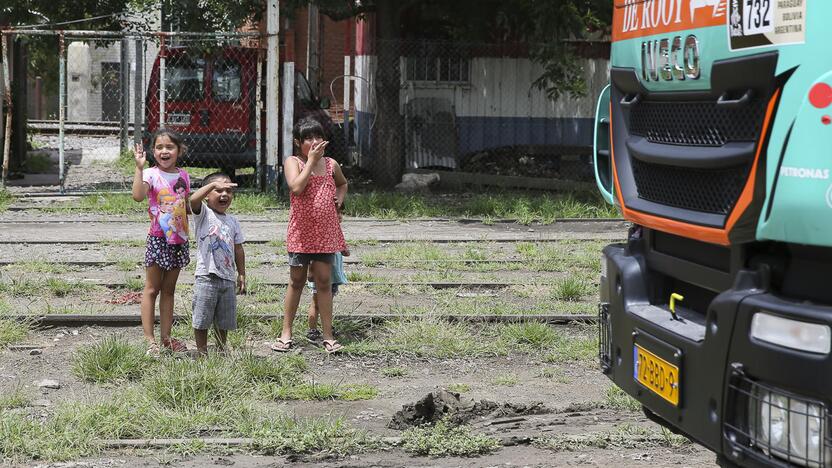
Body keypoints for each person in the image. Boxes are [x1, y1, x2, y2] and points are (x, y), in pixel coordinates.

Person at [272, 116, 348, 354]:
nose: (314, 142)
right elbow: (296, 187)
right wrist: (312, 161)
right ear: (298, 142)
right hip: (301, 233)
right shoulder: (293, 162)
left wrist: (339, 199)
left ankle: (328, 334)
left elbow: (342, 184)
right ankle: (286, 332)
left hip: (325, 233)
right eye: (308, 139)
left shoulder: (332, 164)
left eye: (318, 137)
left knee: (324, 282)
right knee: (296, 281)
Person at [131, 129, 191, 355]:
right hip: (158, 240)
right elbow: (138, 196)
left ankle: (166, 338)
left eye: (170, 147)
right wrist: (138, 168)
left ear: (179, 150)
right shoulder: (149, 174)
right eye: (159, 147)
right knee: (151, 289)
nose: (164, 151)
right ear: (153, 151)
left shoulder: (184, 176)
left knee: (169, 290)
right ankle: (150, 341)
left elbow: (186, 207)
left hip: (178, 240)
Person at [189, 172, 246, 355]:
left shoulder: (233, 221)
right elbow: (193, 200)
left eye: (228, 191)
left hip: (227, 277)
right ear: (208, 194)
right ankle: (202, 351)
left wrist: (241, 273)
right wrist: (210, 186)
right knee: (202, 317)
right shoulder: (204, 214)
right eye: (218, 190)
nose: (224, 195)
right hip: (206, 275)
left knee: (225, 319)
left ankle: (222, 349)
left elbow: (238, 249)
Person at [305, 250, 349, 342]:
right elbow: (346, 251)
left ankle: (314, 329)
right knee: (321, 304)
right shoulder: (330, 241)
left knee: (316, 304)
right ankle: (320, 328)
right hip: (327, 278)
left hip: (327, 277)